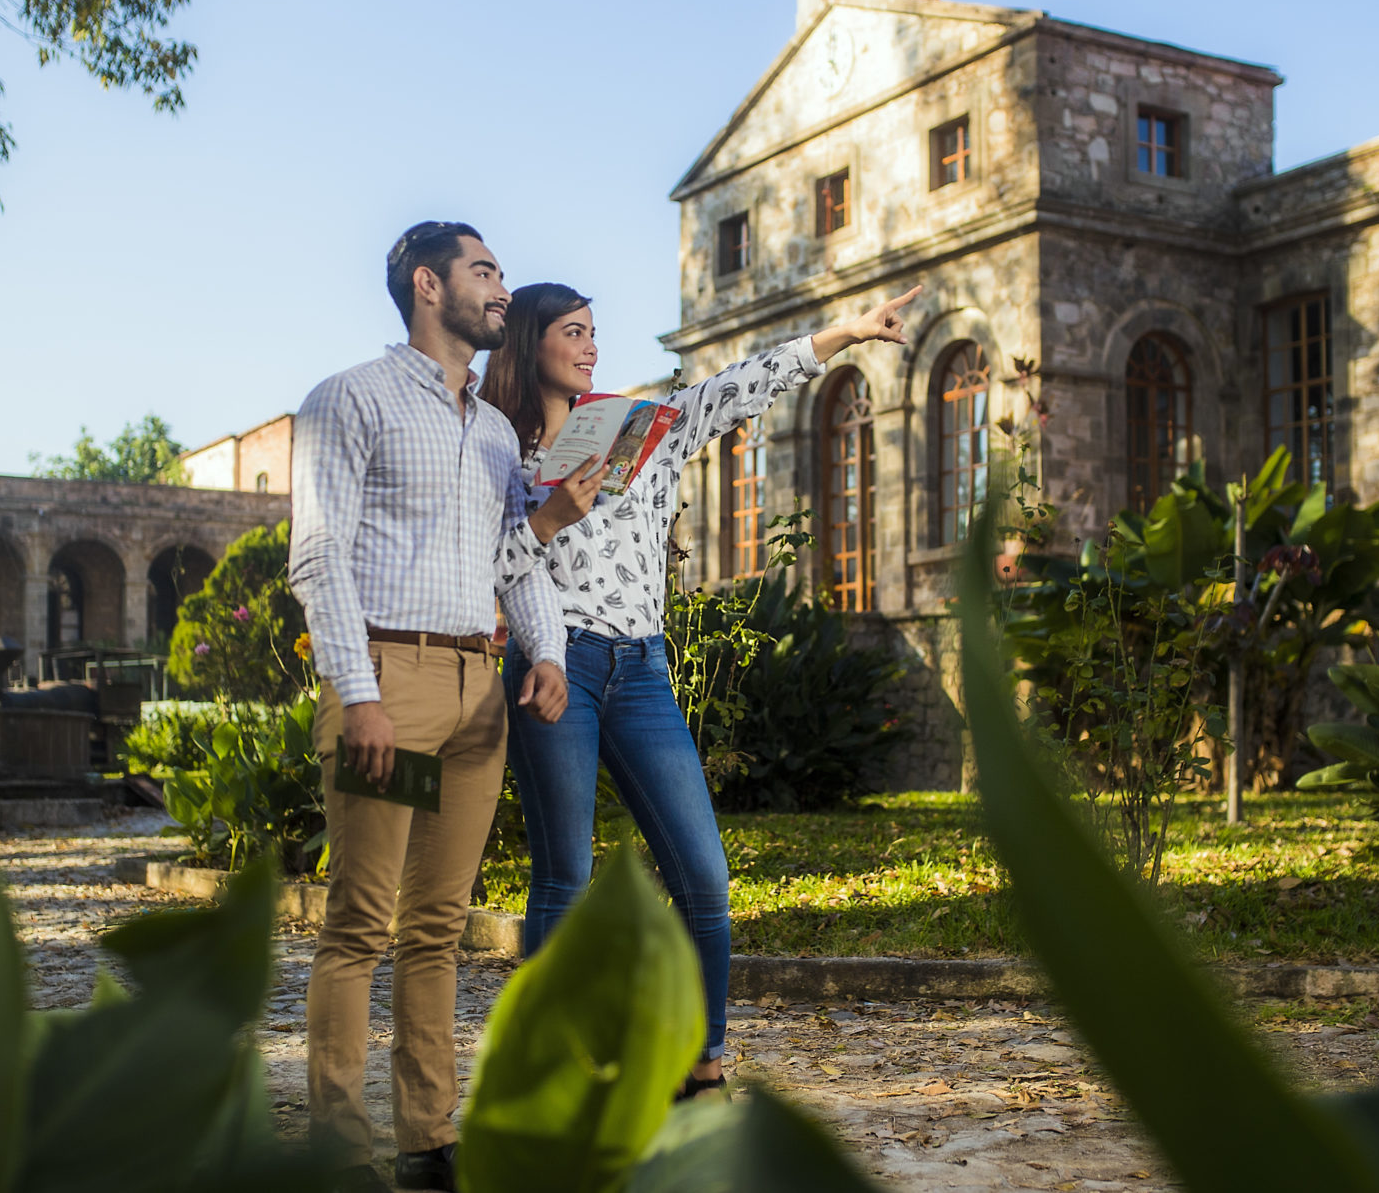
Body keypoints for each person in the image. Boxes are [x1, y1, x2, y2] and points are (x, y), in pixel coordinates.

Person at [479, 280, 920, 1097]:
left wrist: (848, 333)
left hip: (642, 669)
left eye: (593, 332)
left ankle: (703, 1059)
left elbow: (742, 384)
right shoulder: (502, 453)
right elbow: (490, 565)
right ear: (531, 341)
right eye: (572, 331)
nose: (589, 346)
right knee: (564, 877)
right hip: (554, 661)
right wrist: (546, 519)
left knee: (705, 877)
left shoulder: (644, 433)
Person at [289, 222, 572, 1193]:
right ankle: (340, 1146)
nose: (501, 290)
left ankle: (424, 1141)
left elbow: (512, 556)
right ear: (427, 285)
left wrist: (548, 652)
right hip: (391, 688)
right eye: (483, 272)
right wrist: (359, 696)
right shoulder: (348, 401)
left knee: (437, 928)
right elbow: (318, 556)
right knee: (361, 924)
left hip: (474, 700)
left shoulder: (493, 431)